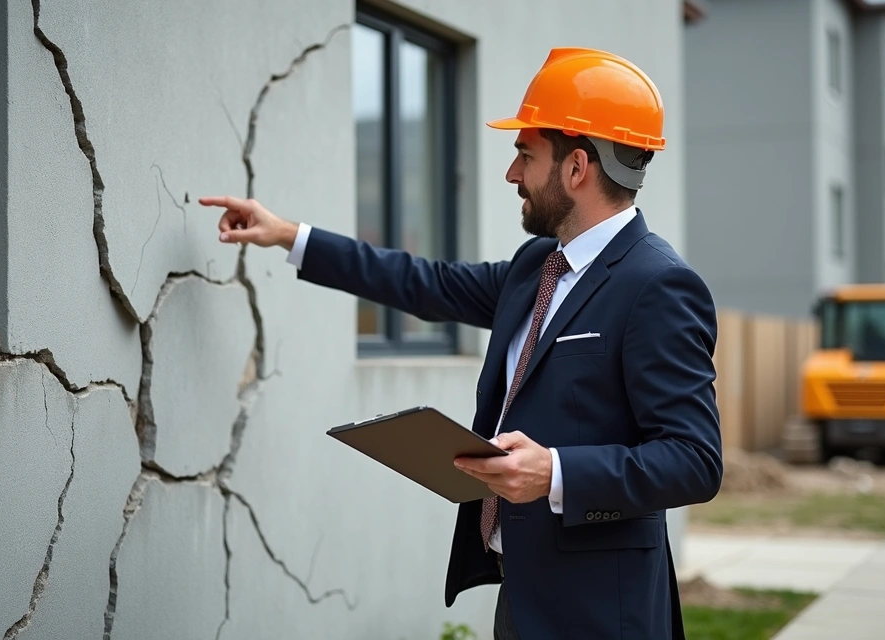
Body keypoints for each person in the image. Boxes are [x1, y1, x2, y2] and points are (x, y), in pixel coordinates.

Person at [200, 47, 722, 640]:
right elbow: (427, 283)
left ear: (577, 167)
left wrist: (554, 472)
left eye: (525, 154)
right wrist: (291, 236)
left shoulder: (657, 285)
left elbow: (695, 461)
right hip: (524, 594)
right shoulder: (536, 268)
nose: (511, 173)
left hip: (604, 613)